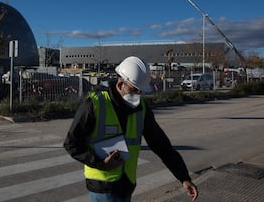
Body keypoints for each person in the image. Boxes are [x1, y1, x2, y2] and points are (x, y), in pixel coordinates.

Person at [63, 56, 198, 202]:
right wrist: (100, 163)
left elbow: (161, 145)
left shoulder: (141, 109)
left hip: (126, 185)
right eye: (135, 90)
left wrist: (184, 177)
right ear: (121, 84)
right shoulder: (95, 104)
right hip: (102, 187)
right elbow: (72, 143)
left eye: (141, 91)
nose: (138, 95)